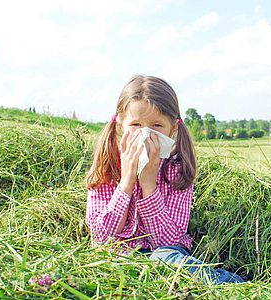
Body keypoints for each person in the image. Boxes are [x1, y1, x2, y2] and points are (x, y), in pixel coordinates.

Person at [85, 75, 244, 284]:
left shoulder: (176, 171)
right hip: (117, 256)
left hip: (163, 254)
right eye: (136, 124)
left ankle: (232, 285)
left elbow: (167, 241)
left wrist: (149, 185)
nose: (146, 133)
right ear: (120, 125)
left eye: (157, 125)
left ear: (173, 128)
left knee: (166, 260)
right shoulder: (106, 168)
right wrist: (126, 182)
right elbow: (102, 237)